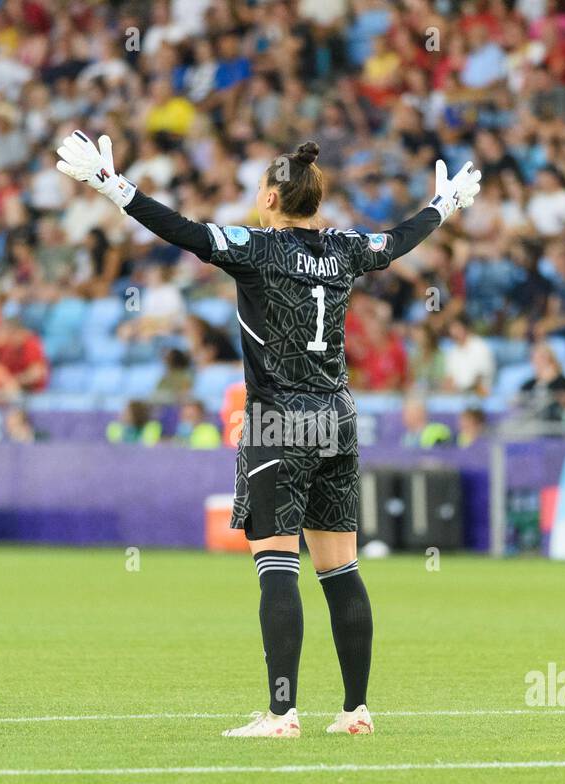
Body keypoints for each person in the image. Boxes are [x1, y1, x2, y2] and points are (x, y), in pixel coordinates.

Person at [57, 130, 480, 737]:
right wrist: (445, 206)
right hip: (336, 416)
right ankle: (355, 708)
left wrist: (113, 186)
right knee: (341, 570)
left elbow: (183, 231)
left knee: (278, 565)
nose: (256, 198)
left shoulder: (255, 248)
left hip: (277, 419)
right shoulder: (345, 248)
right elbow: (397, 243)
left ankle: (282, 713)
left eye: (261, 189)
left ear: (275, 201)